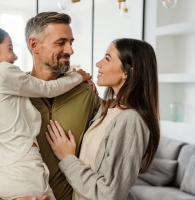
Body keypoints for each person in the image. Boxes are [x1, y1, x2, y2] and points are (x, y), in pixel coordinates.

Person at [0, 12, 101, 200]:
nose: (70, 50)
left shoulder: (86, 94)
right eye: (60, 43)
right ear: (34, 45)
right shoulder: (4, 96)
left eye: (71, 42)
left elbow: (111, 153)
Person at [46, 38, 160, 200]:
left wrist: (67, 158)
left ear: (126, 72)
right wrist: (80, 85)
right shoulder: (108, 109)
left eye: (107, 58)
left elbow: (110, 193)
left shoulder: (131, 120)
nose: (98, 64)